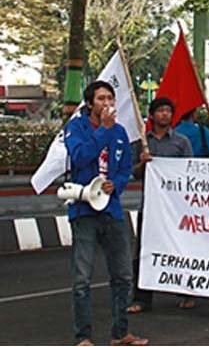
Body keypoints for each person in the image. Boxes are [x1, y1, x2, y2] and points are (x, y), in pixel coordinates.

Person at [64, 80, 147, 346]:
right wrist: (104, 131)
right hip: (84, 210)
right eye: (100, 99)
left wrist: (118, 184)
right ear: (89, 104)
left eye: (110, 98)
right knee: (82, 279)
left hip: (111, 209)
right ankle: (83, 336)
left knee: (122, 274)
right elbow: (80, 157)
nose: (107, 103)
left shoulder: (120, 132)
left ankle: (121, 333)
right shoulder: (76, 128)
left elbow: (124, 169)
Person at [128, 97, 194, 314]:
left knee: (180, 248)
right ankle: (141, 298)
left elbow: (189, 171)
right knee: (143, 252)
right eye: (161, 111)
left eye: (168, 111)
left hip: (175, 207)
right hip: (150, 206)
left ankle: (185, 293)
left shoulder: (181, 142)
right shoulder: (141, 142)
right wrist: (143, 162)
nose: (165, 114)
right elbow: (134, 174)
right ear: (152, 115)